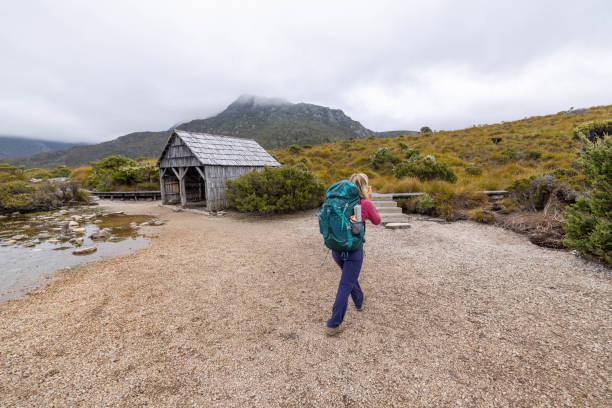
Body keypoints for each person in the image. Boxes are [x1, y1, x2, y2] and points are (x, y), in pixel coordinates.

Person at [326, 173, 381, 336]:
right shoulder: (364, 204)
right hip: (354, 251)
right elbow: (377, 221)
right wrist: (369, 201)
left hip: (336, 249)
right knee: (346, 283)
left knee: (348, 278)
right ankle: (334, 324)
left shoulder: (338, 203)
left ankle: (359, 301)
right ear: (365, 187)